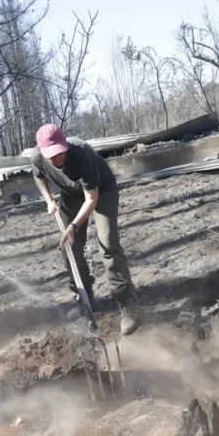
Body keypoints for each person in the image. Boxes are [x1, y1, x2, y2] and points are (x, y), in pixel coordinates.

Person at [30, 123, 138, 335]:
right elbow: (38, 176)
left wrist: (73, 226)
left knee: (108, 244)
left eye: (60, 153)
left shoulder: (81, 154)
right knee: (68, 247)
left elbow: (92, 198)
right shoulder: (37, 157)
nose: (57, 158)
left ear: (65, 145)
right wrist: (49, 200)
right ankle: (84, 298)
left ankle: (128, 304)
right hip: (71, 195)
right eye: (51, 155)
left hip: (102, 191)